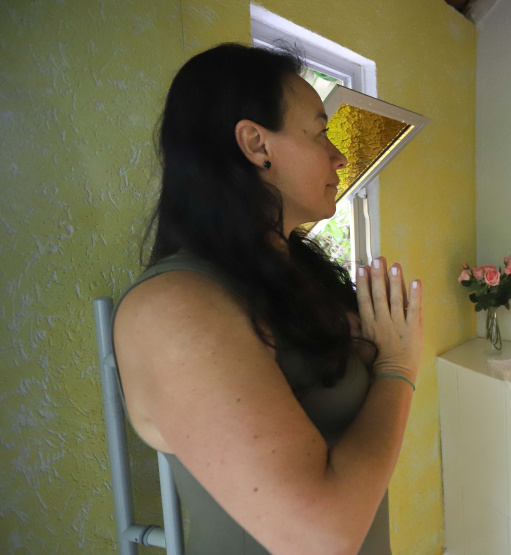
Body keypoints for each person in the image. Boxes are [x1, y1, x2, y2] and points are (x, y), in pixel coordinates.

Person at [112, 43, 422, 555]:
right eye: (321, 131)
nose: (339, 154)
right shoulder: (174, 307)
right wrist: (398, 367)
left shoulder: (295, 274)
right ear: (257, 144)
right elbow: (321, 537)